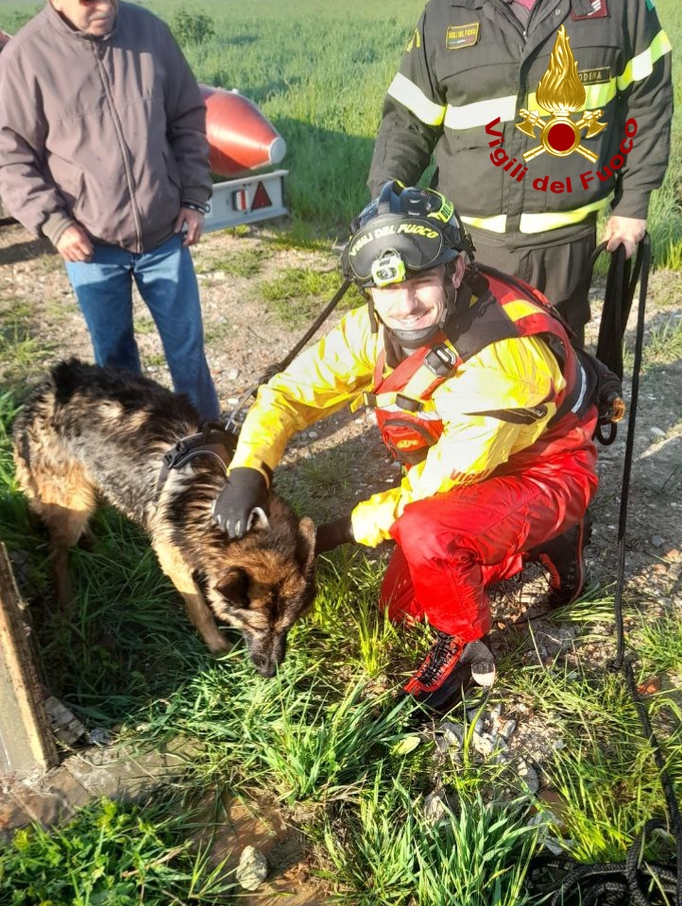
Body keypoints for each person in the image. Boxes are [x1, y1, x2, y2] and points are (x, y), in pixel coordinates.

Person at [211, 181, 610, 712]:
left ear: (456, 269)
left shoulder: (503, 362)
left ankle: (467, 648)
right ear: (369, 290)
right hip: (479, 463)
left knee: (427, 531)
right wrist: (248, 469)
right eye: (386, 290)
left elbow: (429, 490)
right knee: (399, 609)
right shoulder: (376, 327)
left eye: (420, 281)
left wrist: (341, 530)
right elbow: (291, 393)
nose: (405, 305)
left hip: (547, 469)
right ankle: (535, 544)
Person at [367, 0, 673, 345]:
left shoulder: (621, 6)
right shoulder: (446, 11)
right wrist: (383, 208)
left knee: (558, 368)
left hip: (565, 249)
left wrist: (633, 202)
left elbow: (648, 103)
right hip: (465, 250)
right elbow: (407, 121)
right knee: (464, 373)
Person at [0, 0, 220, 421]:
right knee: (116, 364)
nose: (101, 4)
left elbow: (187, 119)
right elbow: (11, 158)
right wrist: (55, 223)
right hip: (91, 245)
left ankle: (208, 443)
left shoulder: (150, 32)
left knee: (188, 353)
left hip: (165, 234)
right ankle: (138, 456)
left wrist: (193, 197)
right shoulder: (25, 57)